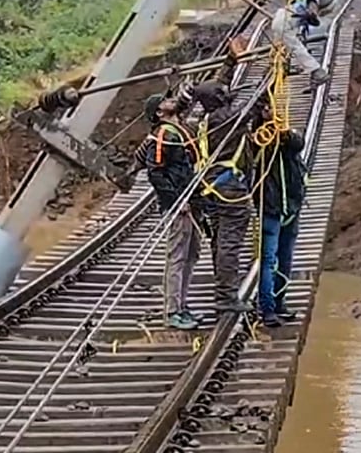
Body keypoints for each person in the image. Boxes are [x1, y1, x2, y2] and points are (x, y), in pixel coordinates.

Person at [130, 90, 203, 330]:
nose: (170, 100)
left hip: (192, 201)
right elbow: (155, 173)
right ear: (159, 113)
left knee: (191, 255)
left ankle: (182, 305)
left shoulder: (178, 130)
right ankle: (172, 311)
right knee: (177, 256)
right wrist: (176, 201)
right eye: (164, 100)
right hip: (179, 205)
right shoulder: (162, 135)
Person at [189, 79, 260, 314]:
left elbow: (215, 94)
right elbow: (253, 107)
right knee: (230, 241)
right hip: (230, 188)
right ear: (218, 98)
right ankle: (226, 296)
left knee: (219, 240)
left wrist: (229, 66)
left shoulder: (207, 119)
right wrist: (272, 78)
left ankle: (224, 290)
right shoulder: (226, 118)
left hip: (211, 187)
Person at [252, 99, 307, 327]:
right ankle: (267, 308)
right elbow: (254, 153)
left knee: (285, 258)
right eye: (267, 108)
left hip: (291, 206)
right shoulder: (257, 138)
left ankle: (279, 302)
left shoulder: (286, 135)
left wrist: (282, 130)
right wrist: (265, 126)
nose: (272, 111)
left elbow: (298, 143)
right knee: (268, 259)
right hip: (270, 207)